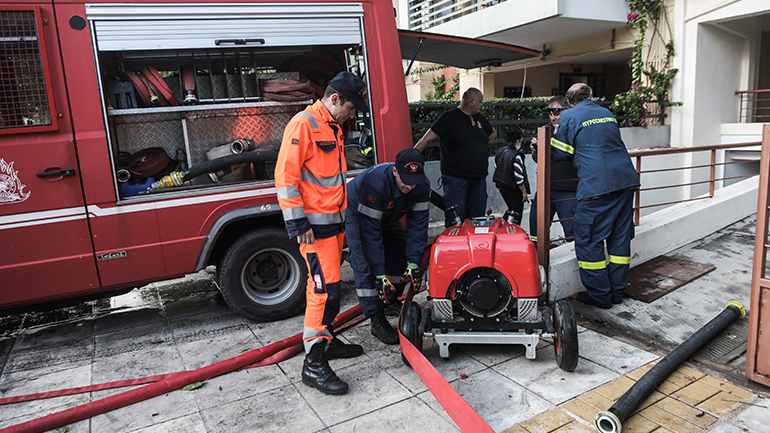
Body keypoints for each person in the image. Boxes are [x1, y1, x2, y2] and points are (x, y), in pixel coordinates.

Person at [274, 71, 368, 395]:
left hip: (333, 226)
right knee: (323, 294)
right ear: (335, 98)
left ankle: (326, 342)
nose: (353, 115)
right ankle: (313, 365)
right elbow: (285, 177)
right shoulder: (303, 124)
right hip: (315, 231)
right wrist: (298, 224)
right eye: (352, 108)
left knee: (332, 292)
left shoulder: (332, 127)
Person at [550, 83, 640, 309]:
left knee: (588, 240)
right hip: (625, 181)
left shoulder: (569, 116)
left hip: (596, 186)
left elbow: (560, 153)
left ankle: (601, 297)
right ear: (591, 96)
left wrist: (543, 145)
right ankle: (617, 293)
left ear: (569, 102)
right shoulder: (606, 113)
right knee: (619, 240)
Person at [346, 148, 430, 344]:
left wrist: (413, 262)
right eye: (405, 181)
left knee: (400, 253)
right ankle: (376, 320)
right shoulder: (374, 184)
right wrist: (379, 272)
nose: (410, 187)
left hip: (388, 216)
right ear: (395, 172)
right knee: (364, 263)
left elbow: (418, 226)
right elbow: (370, 236)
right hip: (360, 215)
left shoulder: (422, 185)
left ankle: (390, 300)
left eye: (414, 181)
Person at [414, 88, 497, 227]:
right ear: (471, 101)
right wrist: (410, 161)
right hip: (456, 178)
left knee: (477, 220)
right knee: (455, 218)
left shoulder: (479, 119)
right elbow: (425, 140)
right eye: (480, 102)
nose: (482, 105)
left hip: (478, 178)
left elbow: (492, 132)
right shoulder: (448, 118)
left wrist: (480, 145)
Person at [529, 96, 578, 246]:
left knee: (571, 229)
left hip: (568, 188)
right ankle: (538, 255)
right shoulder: (545, 130)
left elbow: (566, 155)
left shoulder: (573, 129)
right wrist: (535, 151)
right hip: (547, 187)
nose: (553, 116)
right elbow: (538, 160)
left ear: (567, 110)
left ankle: (573, 258)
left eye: (557, 111)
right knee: (536, 225)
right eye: (550, 112)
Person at [493, 130, 530, 225]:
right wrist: (524, 192)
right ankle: (512, 232)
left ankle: (501, 226)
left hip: (501, 185)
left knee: (511, 209)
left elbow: (496, 166)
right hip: (513, 188)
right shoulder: (516, 155)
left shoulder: (500, 151)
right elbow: (519, 176)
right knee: (516, 212)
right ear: (517, 141)